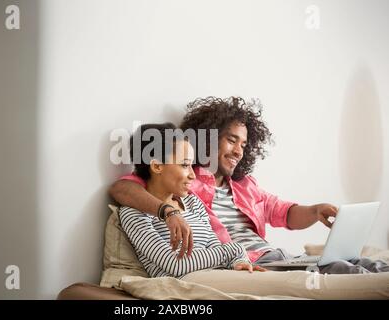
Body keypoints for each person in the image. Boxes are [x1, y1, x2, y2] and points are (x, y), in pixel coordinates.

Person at [110, 96, 389, 274]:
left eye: (244, 144)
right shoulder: (185, 179)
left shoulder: (244, 185)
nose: (239, 151)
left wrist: (315, 211)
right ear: (208, 139)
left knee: (365, 265)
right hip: (252, 262)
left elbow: (282, 211)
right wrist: (168, 212)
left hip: (275, 256)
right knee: (345, 271)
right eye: (231, 140)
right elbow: (124, 189)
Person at [118, 122, 267, 278]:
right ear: (157, 167)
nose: (193, 175)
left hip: (218, 276)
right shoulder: (134, 214)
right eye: (184, 165)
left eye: (191, 165)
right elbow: (175, 265)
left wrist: (239, 262)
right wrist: (234, 250)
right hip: (184, 283)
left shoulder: (192, 203)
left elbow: (214, 246)